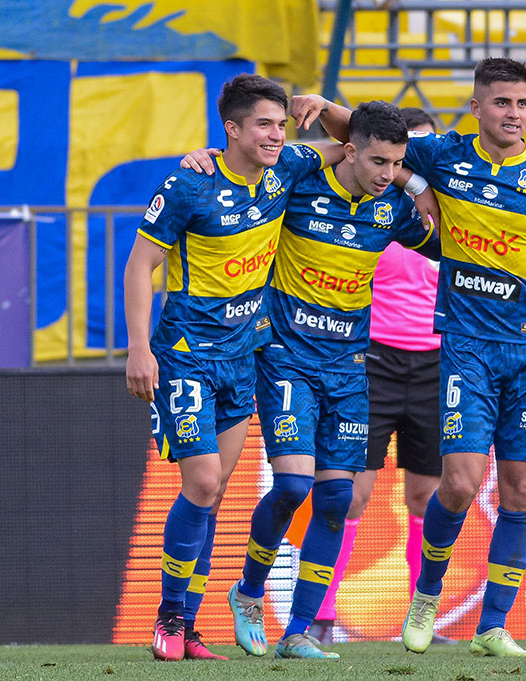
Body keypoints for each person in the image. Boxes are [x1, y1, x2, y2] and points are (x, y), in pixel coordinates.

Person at [292, 56, 526, 658]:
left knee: (521, 490)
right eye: (502, 102)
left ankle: (493, 626)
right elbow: (362, 134)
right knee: (459, 483)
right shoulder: (442, 154)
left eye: (521, 103)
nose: (513, 114)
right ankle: (426, 594)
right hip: (464, 346)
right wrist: (321, 103)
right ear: (477, 106)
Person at [182, 100, 440, 660]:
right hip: (285, 356)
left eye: (396, 164)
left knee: (336, 497)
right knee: (295, 486)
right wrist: (203, 159)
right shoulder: (297, 180)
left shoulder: (392, 207)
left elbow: (443, 239)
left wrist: (417, 180)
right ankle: (248, 593)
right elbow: (245, 164)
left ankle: (299, 630)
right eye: (377, 161)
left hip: (350, 367)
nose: (386, 174)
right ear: (350, 150)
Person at [123, 73, 338, 662]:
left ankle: (189, 629)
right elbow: (140, 266)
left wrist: (325, 109)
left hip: (244, 358)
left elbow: (357, 145)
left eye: (281, 124)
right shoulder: (188, 183)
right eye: (263, 124)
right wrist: (138, 348)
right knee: (201, 481)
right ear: (232, 129)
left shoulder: (286, 168)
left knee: (215, 493)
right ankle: (168, 617)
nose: (276, 135)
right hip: (186, 357)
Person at [306, 107, 455, 647]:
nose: (400, 168)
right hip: (372, 359)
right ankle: (321, 615)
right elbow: (333, 151)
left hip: (438, 363)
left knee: (428, 496)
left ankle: (421, 621)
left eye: (412, 157)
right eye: (395, 157)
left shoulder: (442, 210)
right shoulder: (374, 206)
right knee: (349, 494)